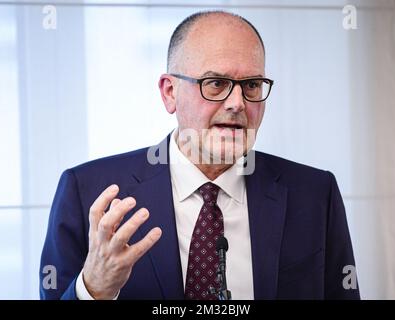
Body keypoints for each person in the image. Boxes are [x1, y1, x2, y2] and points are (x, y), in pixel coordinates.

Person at [40, 10, 359, 300]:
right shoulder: (88, 192)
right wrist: (92, 289)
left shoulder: (315, 193)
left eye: (251, 85)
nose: (237, 103)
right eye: (216, 83)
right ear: (169, 93)